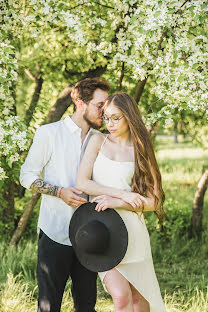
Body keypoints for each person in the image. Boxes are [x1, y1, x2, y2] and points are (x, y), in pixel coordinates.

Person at [19, 78, 110, 312]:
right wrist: (59, 192)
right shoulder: (49, 133)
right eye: (100, 105)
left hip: (90, 235)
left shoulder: (101, 139)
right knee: (49, 305)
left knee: (87, 305)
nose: (105, 110)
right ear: (80, 102)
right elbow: (26, 176)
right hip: (54, 231)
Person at [76, 92, 166, 312]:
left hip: (132, 230)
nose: (110, 123)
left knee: (139, 299)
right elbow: (83, 182)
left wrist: (119, 202)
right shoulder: (98, 140)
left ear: (130, 116)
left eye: (116, 118)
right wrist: (122, 194)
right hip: (101, 230)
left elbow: (153, 201)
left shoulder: (141, 148)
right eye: (106, 117)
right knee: (121, 297)